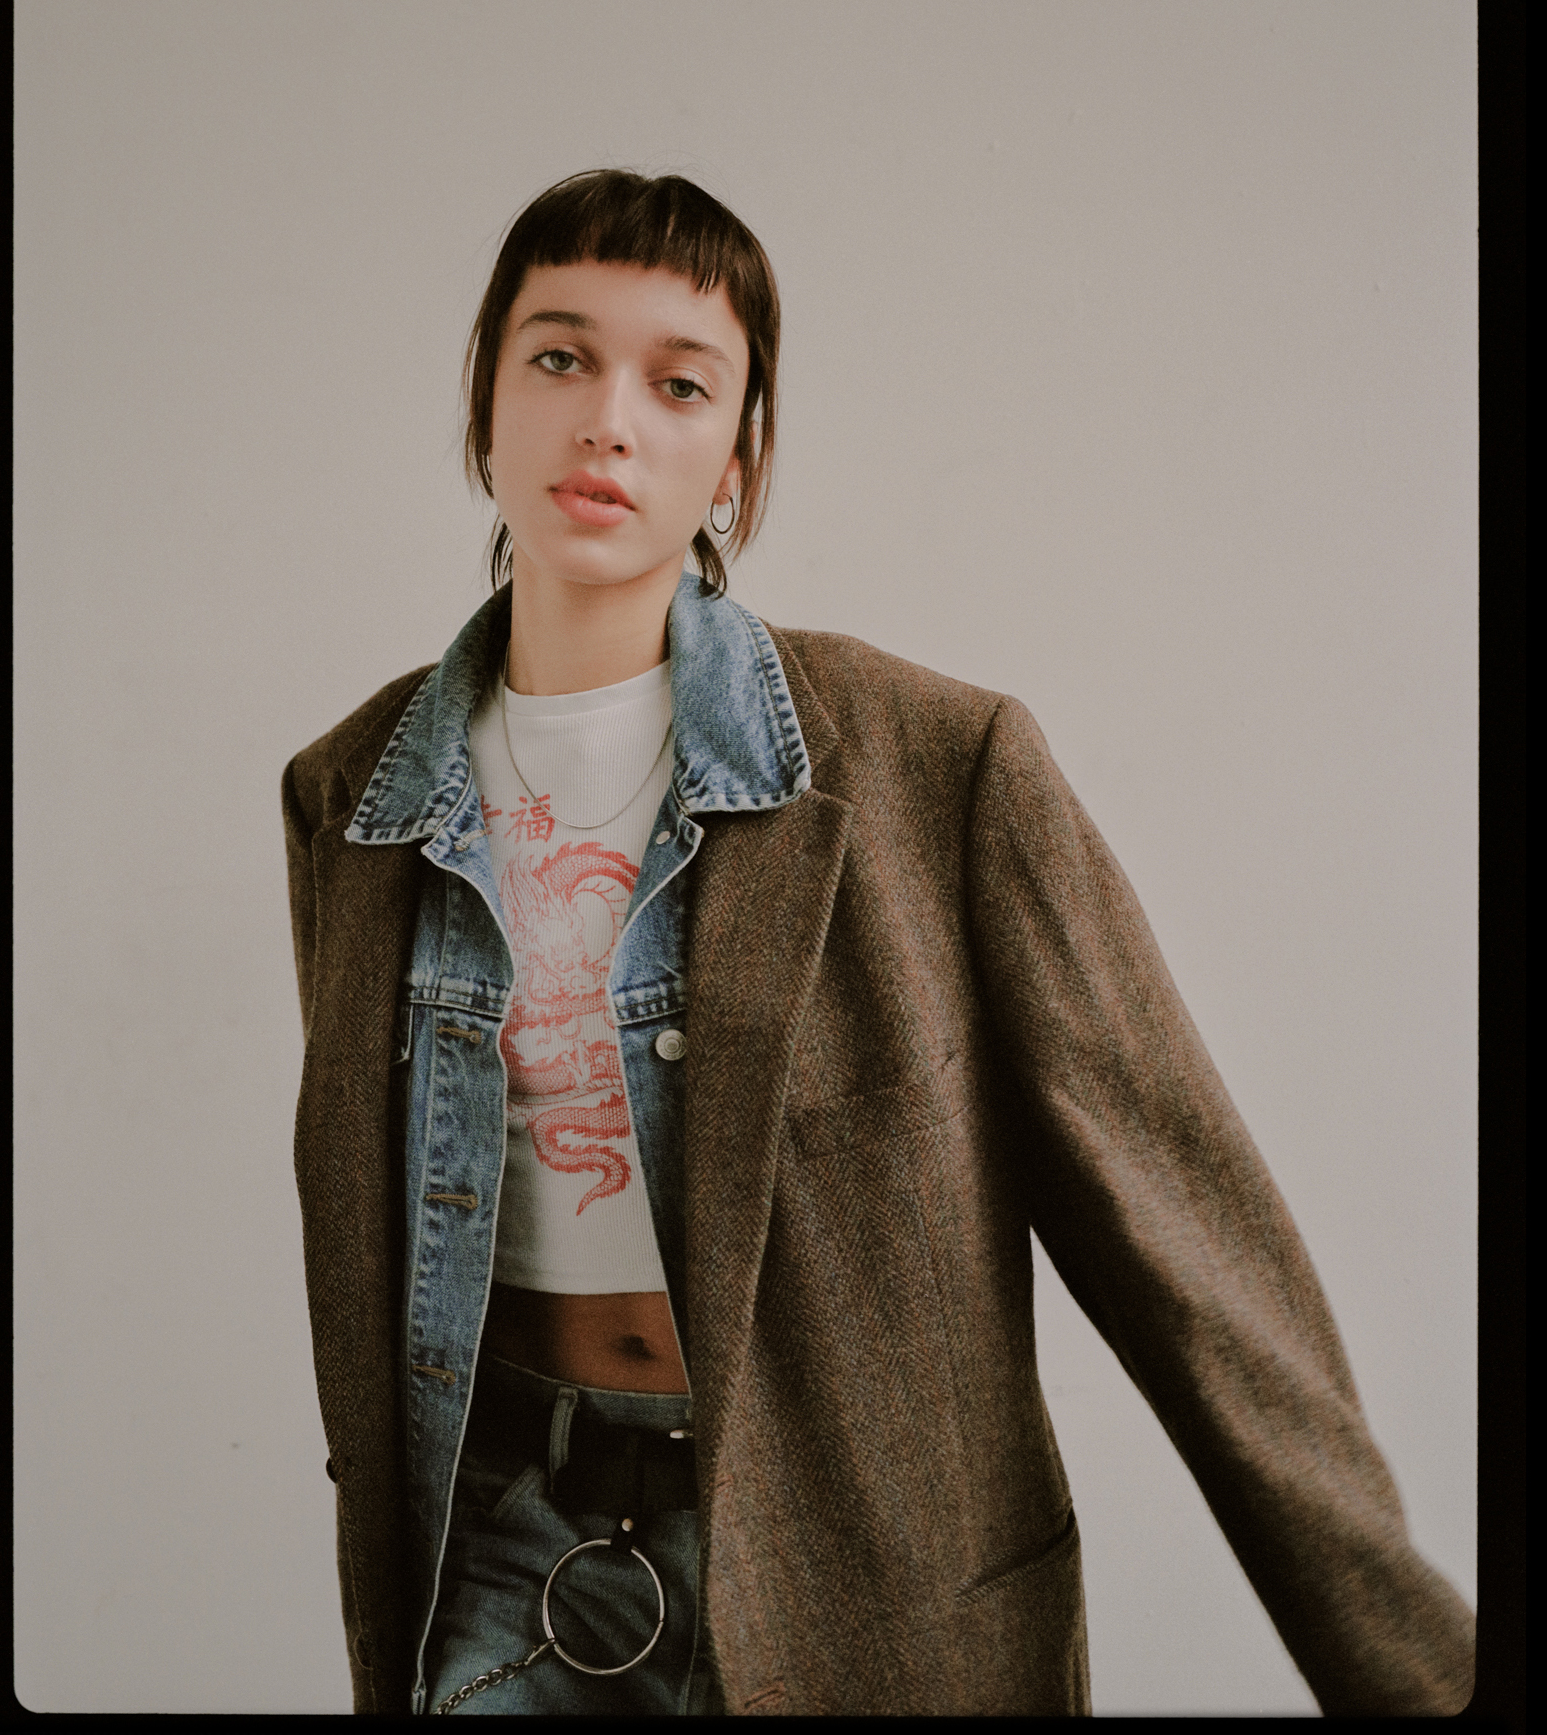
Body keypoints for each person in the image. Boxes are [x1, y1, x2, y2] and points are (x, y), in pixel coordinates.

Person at [282, 169, 1475, 1717]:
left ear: (738, 455)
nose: (608, 422)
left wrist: (1418, 1675)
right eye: (560, 357)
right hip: (503, 1558)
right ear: (485, 406)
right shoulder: (352, 797)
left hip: (866, 1589)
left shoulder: (938, 767)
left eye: (680, 382)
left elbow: (1191, 1258)